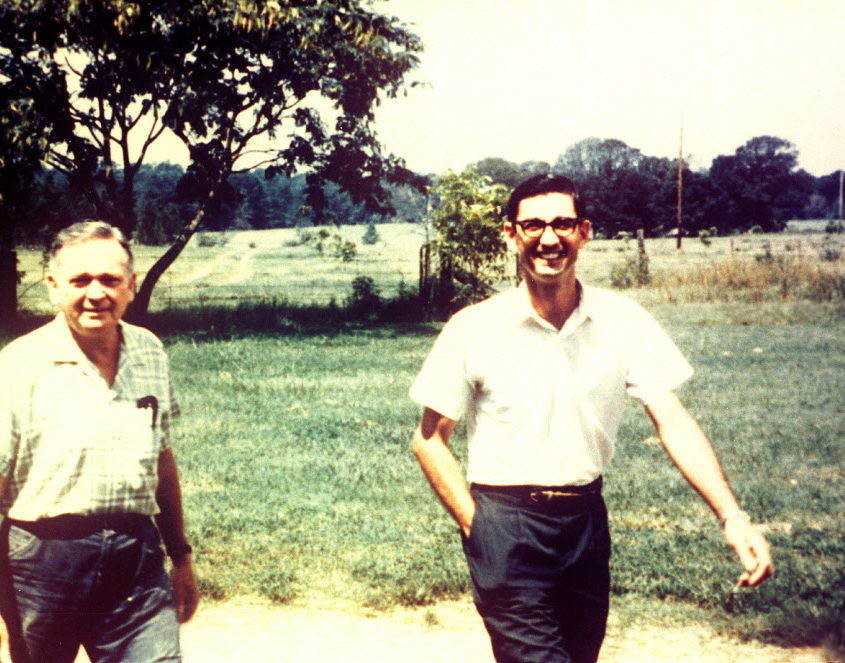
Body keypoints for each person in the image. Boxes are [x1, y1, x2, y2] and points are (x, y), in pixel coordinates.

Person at [409, 174, 773, 663]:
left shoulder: (622, 320)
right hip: (507, 522)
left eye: (562, 224)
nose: (548, 238)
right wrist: (480, 528)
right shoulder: (475, 327)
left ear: (584, 232)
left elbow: (673, 420)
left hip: (585, 525)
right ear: (511, 234)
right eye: (532, 225)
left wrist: (733, 518)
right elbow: (429, 440)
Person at [0, 221, 199, 663]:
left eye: (110, 280)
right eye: (80, 280)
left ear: (130, 285)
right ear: (53, 286)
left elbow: (162, 461)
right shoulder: (18, 365)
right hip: (42, 559)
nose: (96, 293)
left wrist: (180, 556)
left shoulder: (149, 351)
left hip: (137, 556)